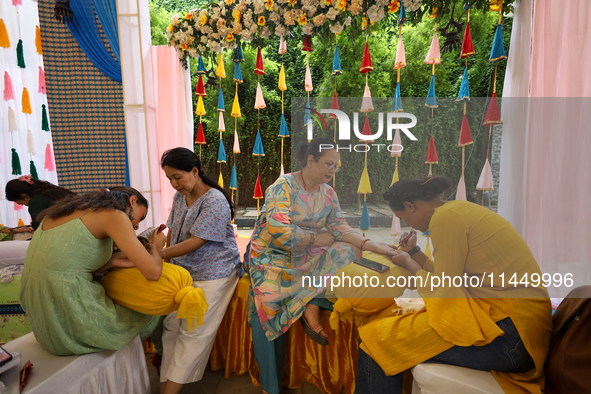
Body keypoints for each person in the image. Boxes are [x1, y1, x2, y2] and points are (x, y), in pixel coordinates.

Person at [355, 177, 553, 393]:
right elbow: (449, 275)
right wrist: (414, 252)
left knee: (375, 340)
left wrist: (407, 262)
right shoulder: (458, 209)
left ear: (410, 206)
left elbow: (446, 288)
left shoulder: (444, 217)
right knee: (383, 330)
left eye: (402, 217)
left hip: (510, 336)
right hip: (521, 331)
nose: (408, 224)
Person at [248, 138, 397, 394]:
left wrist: (374, 245)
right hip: (273, 256)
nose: (333, 170)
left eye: (336, 166)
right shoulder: (283, 186)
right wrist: (315, 238)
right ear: (310, 161)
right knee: (266, 309)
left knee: (348, 249)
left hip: (307, 254)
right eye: (329, 164)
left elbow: (339, 228)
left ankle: (311, 303)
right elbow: (279, 230)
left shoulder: (328, 193)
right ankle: (270, 388)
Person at [19, 187, 166, 356]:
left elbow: (66, 263)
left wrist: (110, 262)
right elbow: (153, 272)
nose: (137, 225)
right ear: (132, 201)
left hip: (44, 322)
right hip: (69, 318)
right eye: (142, 216)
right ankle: (163, 360)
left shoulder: (62, 212)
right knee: (159, 305)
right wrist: (156, 246)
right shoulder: (115, 215)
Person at [158, 147, 240, 394]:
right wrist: (165, 261)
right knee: (171, 326)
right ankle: (165, 386)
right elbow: (172, 231)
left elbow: (196, 242)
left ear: (195, 171)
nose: (174, 184)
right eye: (169, 178)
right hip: (183, 270)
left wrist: (156, 256)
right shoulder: (179, 196)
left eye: (177, 177)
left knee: (194, 331)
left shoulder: (214, 200)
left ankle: (169, 391)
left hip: (215, 272)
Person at [5, 175, 75, 230]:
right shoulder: (53, 192)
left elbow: (39, 228)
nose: (26, 205)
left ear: (25, 196)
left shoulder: (35, 201)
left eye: (22, 203)